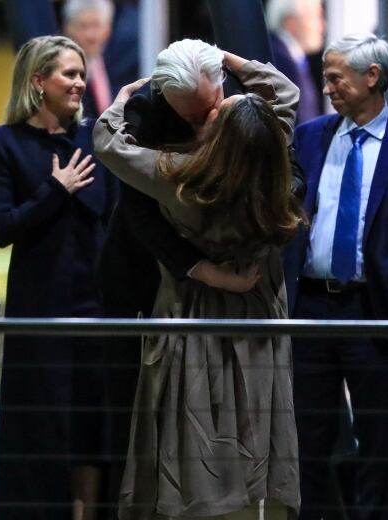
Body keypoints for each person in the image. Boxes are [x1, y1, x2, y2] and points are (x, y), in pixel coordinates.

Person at [94, 49, 305, 520]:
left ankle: (200, 503)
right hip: (255, 298)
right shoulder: (267, 156)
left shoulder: (175, 174)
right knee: (255, 410)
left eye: (216, 110)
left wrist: (120, 99)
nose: (210, 115)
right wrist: (235, 60)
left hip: (193, 307)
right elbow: (286, 96)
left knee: (194, 415)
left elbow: (108, 145)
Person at [284, 33, 388, 520]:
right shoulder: (309, 136)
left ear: (371, 77)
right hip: (310, 310)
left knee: (376, 442)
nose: (327, 86)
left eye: (335, 77)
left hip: (377, 312)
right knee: (307, 440)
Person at [0, 35, 116, 520]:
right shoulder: (4, 143)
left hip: (97, 305)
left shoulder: (95, 138)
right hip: (40, 308)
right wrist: (54, 191)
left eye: (82, 74)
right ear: (38, 81)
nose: (80, 82)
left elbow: (107, 211)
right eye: (69, 74)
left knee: (92, 426)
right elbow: (0, 227)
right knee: (41, 427)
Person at [265, 0, 325, 123]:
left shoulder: (293, 59)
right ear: (291, 22)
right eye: (317, 17)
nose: (323, 26)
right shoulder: (279, 61)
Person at [62, 0, 115, 118]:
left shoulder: (118, 63)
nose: (90, 35)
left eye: (96, 25)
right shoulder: (61, 72)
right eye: (83, 26)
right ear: (68, 29)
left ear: (108, 29)